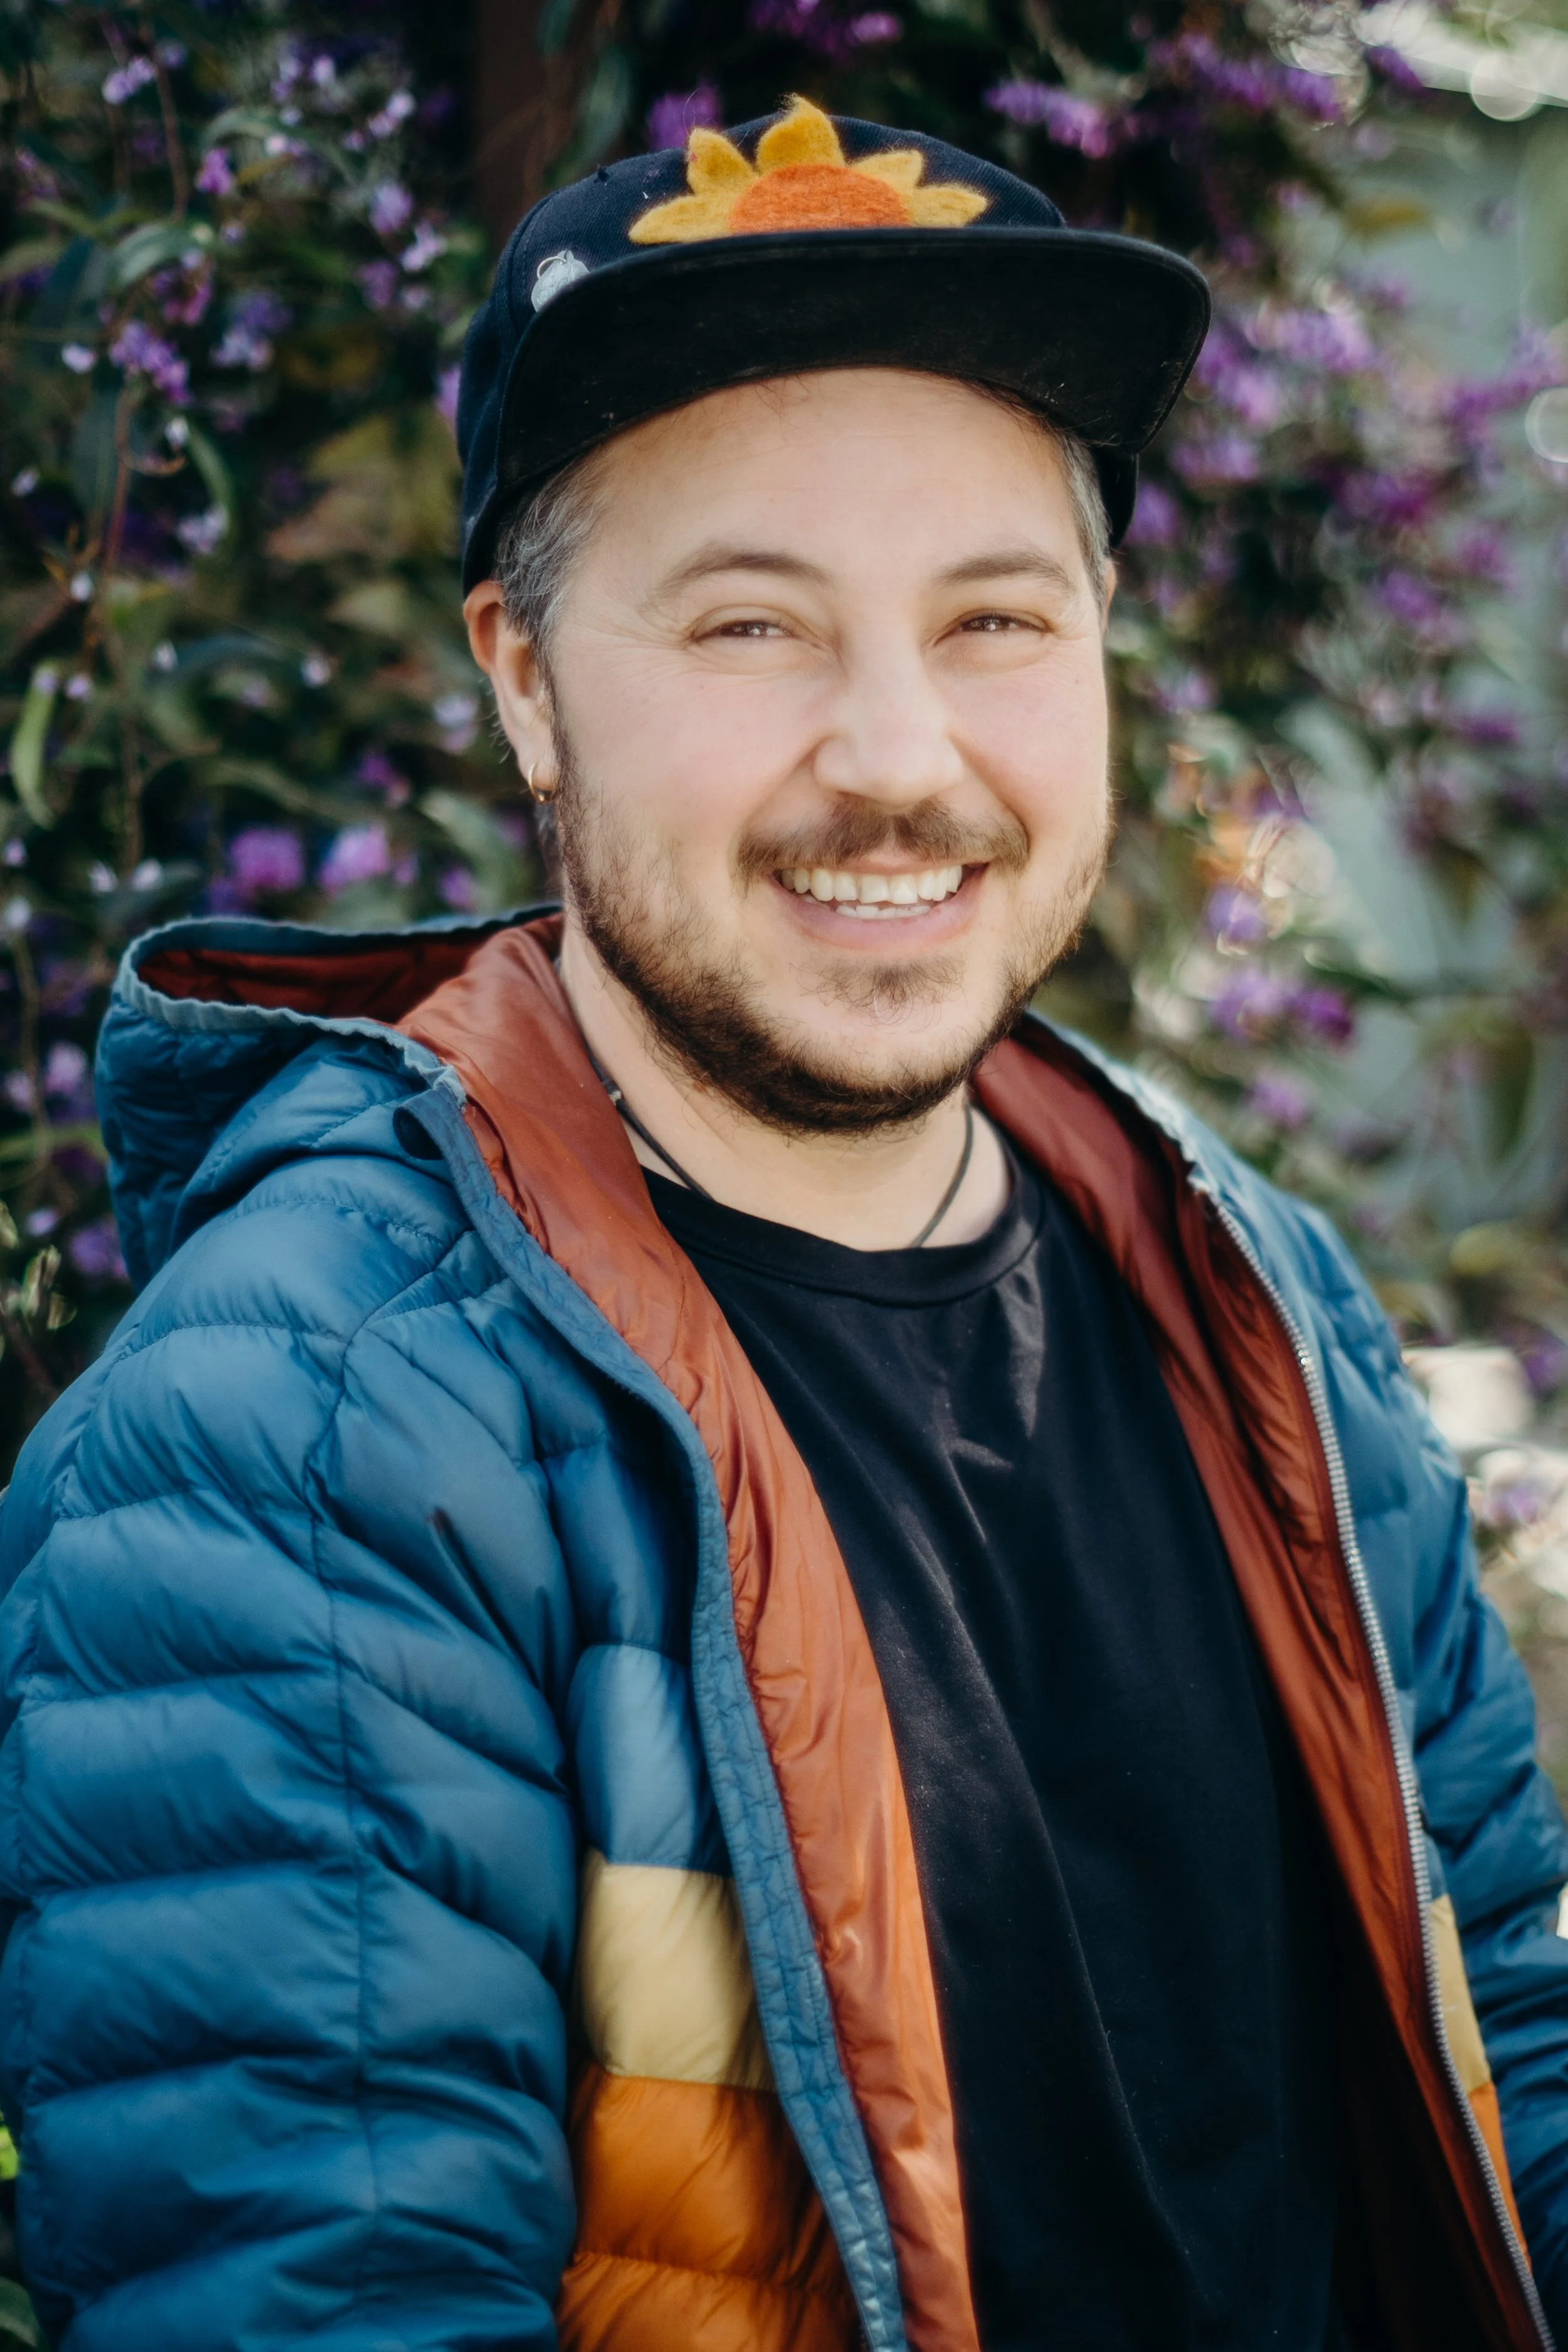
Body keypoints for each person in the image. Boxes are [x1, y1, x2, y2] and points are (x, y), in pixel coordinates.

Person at [0, 93, 1564, 2352]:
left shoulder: (1252, 1289)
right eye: (750, 623)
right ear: (525, 682)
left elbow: (1505, 2045)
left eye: (994, 617)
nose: (899, 757)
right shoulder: (312, 1436)